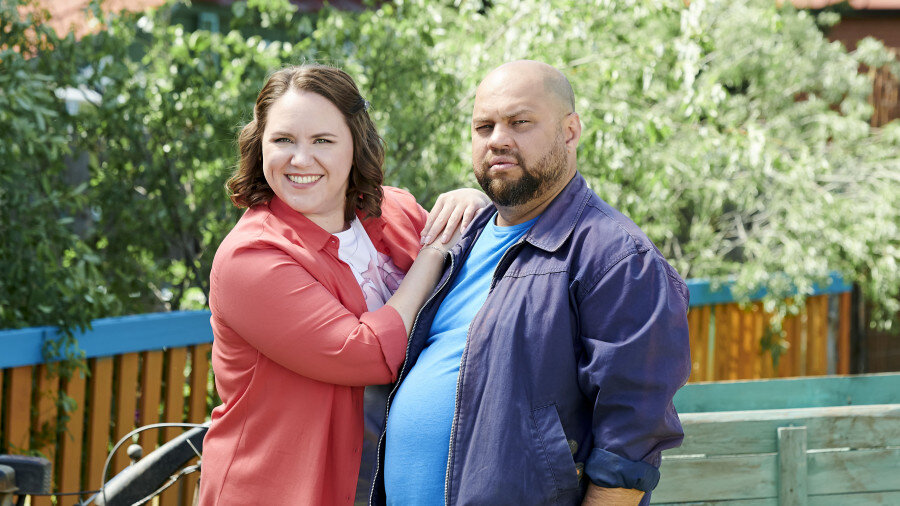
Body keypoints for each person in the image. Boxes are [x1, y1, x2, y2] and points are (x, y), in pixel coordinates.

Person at [371, 60, 692, 506]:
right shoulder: (460, 238)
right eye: (484, 127)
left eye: (520, 122)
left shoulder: (618, 258)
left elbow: (630, 447)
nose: (498, 139)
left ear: (570, 132)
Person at [198, 64, 489, 506]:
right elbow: (365, 354)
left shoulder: (394, 210)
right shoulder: (250, 258)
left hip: (393, 480)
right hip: (282, 489)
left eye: (322, 141)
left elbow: (474, 281)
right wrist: (431, 256)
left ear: (355, 143)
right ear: (260, 146)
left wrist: (474, 205)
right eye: (283, 140)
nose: (300, 159)